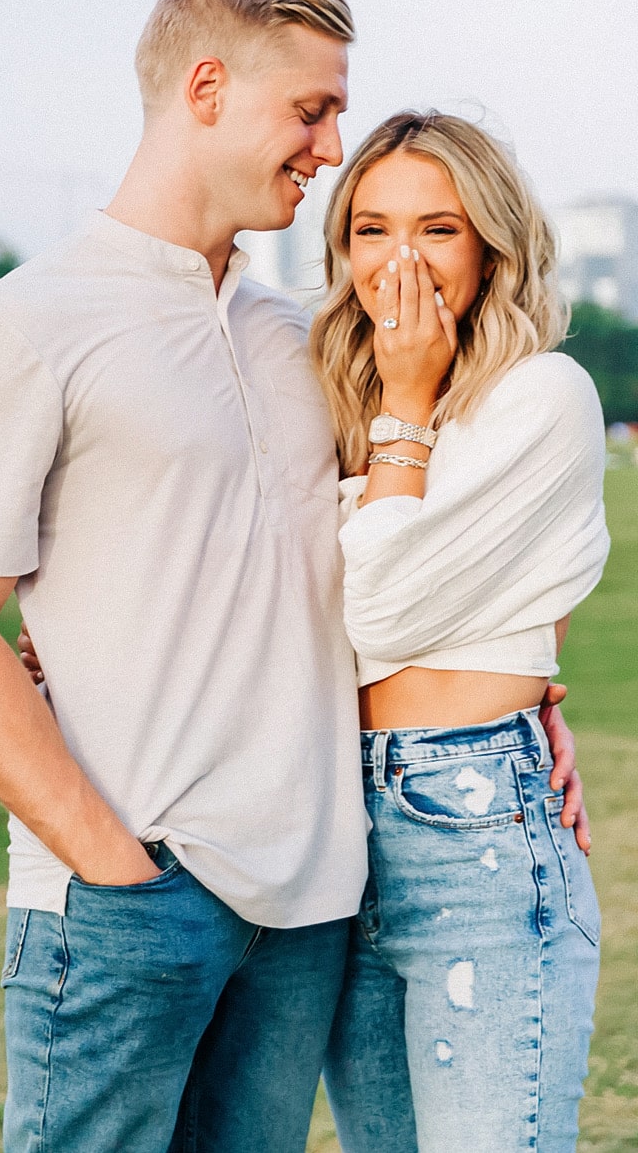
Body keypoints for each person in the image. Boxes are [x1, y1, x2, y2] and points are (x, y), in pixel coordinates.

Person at [0, 0, 577, 1152]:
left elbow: (371, 564)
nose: (329, 143)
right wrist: (112, 869)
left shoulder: (304, 342)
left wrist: (518, 688)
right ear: (205, 86)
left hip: (309, 909)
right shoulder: (14, 328)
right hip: (124, 894)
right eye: (310, 109)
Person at [309, 113, 605, 1152]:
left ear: (489, 249)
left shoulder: (539, 398)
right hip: (325, 830)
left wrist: (402, 405)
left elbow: (375, 611)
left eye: (436, 229)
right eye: (369, 229)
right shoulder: (325, 399)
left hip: (470, 823)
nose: (398, 260)